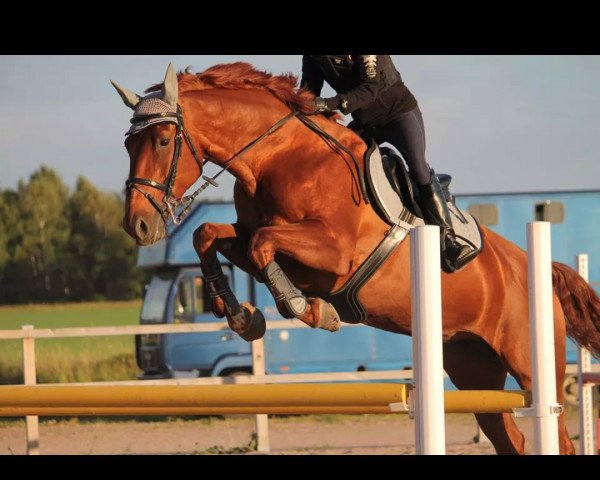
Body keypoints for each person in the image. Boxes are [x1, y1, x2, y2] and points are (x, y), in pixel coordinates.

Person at [300, 55, 469, 272]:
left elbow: (370, 89)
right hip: (367, 123)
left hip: (399, 114)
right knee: (335, 160)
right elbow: (309, 91)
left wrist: (327, 104)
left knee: (418, 167)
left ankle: (449, 241)